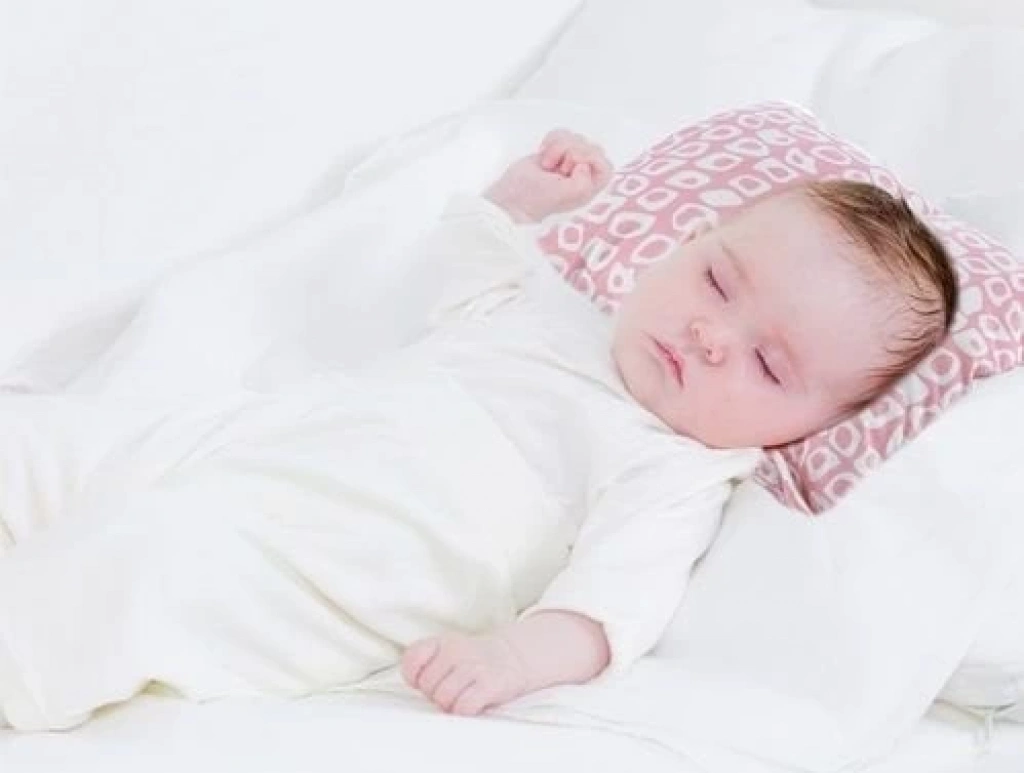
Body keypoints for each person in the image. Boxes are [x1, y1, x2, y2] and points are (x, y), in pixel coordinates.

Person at [0, 130, 957, 732]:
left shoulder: (674, 468)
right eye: (717, 280)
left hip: (310, 574)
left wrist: (510, 656)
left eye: (769, 364)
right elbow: (462, 276)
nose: (714, 335)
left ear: (808, 428)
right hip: (234, 447)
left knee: (141, 568)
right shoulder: (557, 315)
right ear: (686, 244)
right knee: (43, 443)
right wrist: (523, 201)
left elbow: (607, 612)